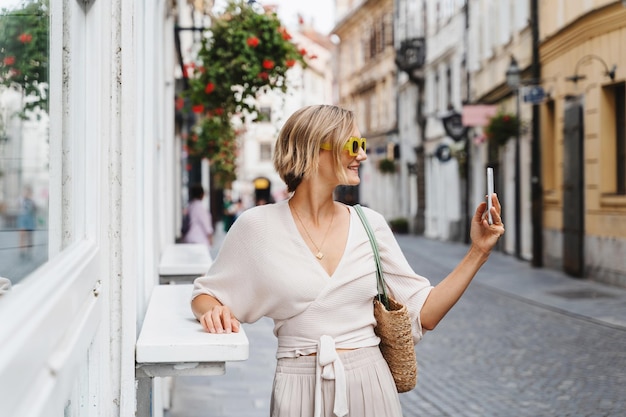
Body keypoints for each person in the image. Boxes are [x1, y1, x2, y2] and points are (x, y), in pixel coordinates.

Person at [191, 104, 505, 417]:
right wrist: (213, 310)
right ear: (315, 150)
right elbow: (205, 295)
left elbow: (425, 313)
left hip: (370, 387)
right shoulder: (257, 226)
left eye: (363, 145)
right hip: (298, 390)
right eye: (353, 145)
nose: (363, 155)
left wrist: (478, 251)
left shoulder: (370, 225)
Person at [182, 183, 214, 249]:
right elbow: (206, 225)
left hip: (189, 238)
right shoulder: (200, 207)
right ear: (201, 194)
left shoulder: (190, 206)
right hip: (199, 239)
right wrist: (210, 238)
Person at [17, 186, 36, 258]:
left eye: (28, 192)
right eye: (25, 191)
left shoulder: (32, 200)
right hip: (23, 217)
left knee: (30, 235)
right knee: (22, 234)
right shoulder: (20, 199)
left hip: (30, 218)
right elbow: (18, 206)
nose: (26, 193)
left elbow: (35, 209)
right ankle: (22, 251)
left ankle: (29, 250)